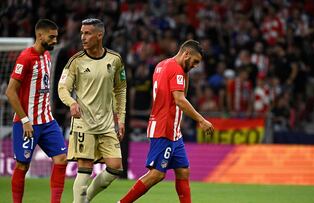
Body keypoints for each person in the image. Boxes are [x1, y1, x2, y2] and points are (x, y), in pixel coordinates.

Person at [119, 40, 214, 203]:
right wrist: (201, 120)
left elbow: (178, 94)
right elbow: (179, 99)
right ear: (186, 54)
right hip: (164, 129)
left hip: (174, 131)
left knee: (183, 171)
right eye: (195, 61)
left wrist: (187, 71)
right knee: (157, 174)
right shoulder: (176, 70)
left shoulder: (162, 65)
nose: (196, 66)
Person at [57, 18, 127, 203]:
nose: (83, 37)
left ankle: (85, 199)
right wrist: (71, 103)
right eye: (81, 33)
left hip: (105, 123)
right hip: (83, 123)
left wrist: (121, 119)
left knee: (115, 167)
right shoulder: (76, 61)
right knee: (85, 167)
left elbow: (120, 90)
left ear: (99, 35)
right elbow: (62, 87)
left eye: (87, 33)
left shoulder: (115, 60)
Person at [5, 19, 67, 203]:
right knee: (22, 165)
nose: (55, 40)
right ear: (40, 35)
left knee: (62, 159)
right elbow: (10, 91)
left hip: (47, 120)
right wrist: (25, 120)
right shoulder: (25, 57)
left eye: (56, 37)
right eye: (52, 37)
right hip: (27, 123)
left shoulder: (47, 56)